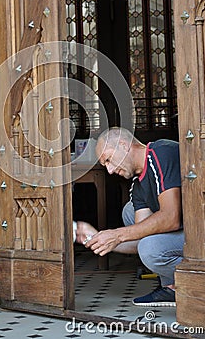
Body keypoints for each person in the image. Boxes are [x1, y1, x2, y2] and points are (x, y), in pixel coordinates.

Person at [75, 126, 184, 307]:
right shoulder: (138, 184)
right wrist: (100, 238)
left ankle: (194, 280)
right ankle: (171, 288)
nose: (109, 170)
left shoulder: (160, 153)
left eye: (108, 160)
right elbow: (139, 238)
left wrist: (117, 234)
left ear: (124, 145)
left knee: (150, 248)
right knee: (131, 213)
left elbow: (171, 217)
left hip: (201, 230)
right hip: (185, 233)